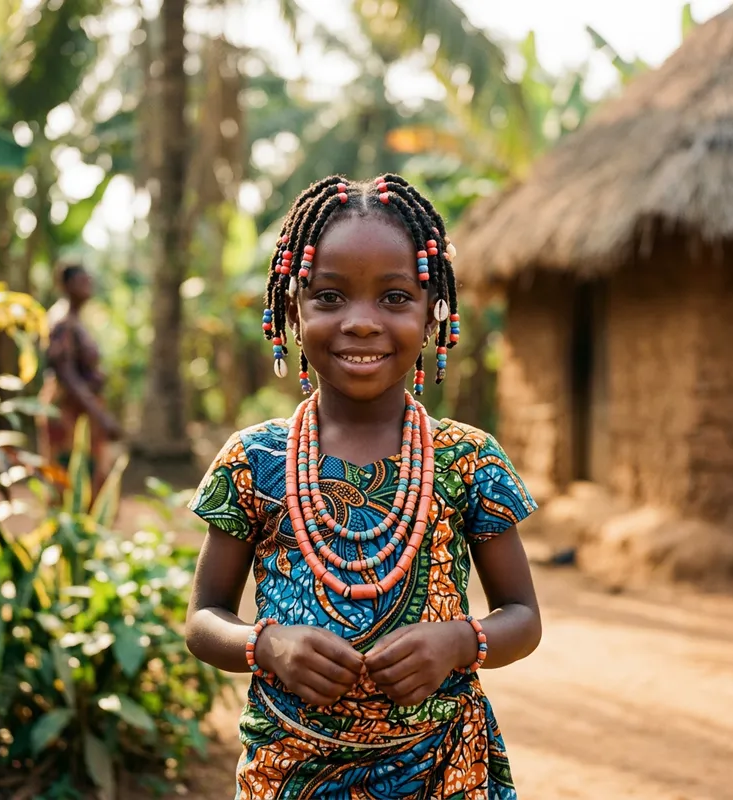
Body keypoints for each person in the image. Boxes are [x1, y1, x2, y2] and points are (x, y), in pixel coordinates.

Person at [185, 175, 541, 799]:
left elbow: (524, 618)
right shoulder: (254, 459)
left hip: (444, 770)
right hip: (289, 771)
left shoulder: (468, 460)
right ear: (291, 309)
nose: (362, 323)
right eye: (329, 296)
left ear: (435, 312)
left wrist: (460, 641)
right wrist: (267, 646)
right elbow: (202, 620)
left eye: (395, 297)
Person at [39, 262, 122, 496]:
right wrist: (99, 415)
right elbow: (67, 376)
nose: (88, 286)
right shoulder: (62, 321)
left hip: (80, 412)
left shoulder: (74, 319)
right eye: (81, 281)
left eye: (88, 280)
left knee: (85, 476)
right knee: (70, 475)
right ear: (65, 286)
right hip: (68, 413)